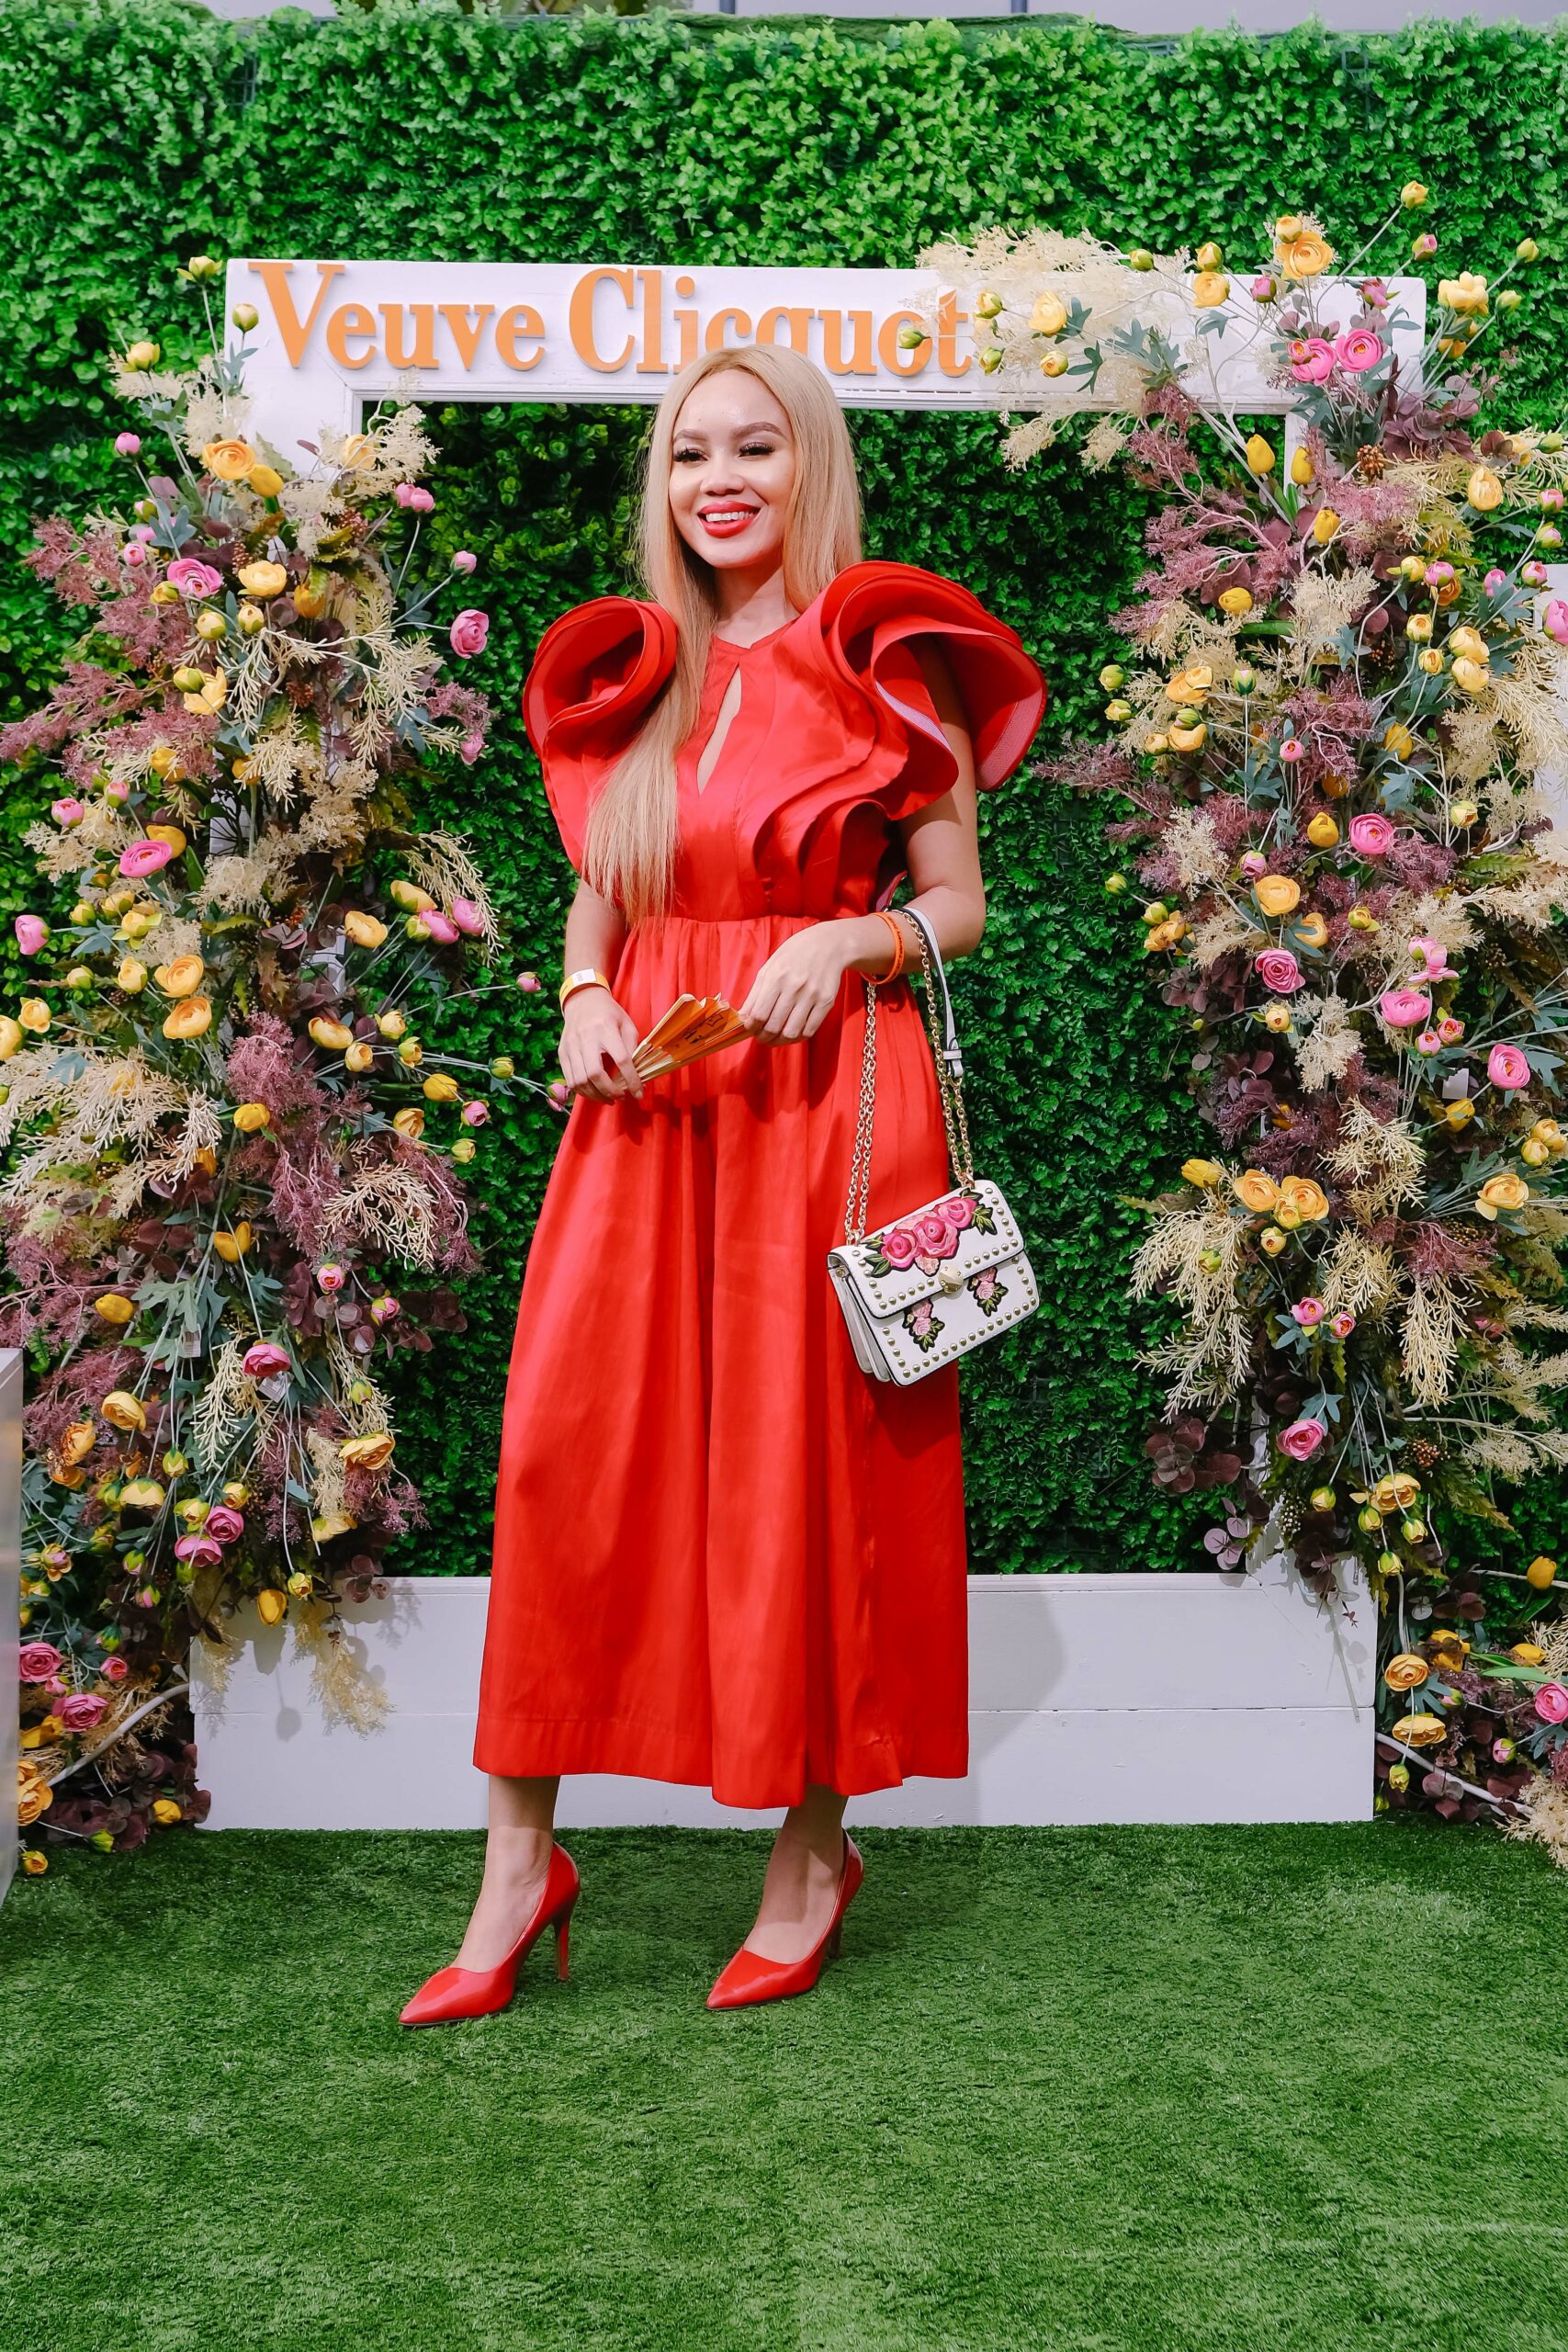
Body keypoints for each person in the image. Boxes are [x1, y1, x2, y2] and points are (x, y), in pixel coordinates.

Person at [400, 342, 1044, 2025]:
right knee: (564, 1454)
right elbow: (604, 887)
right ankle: (517, 1866)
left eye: (756, 447)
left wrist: (850, 939)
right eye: (692, 453)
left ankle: (811, 1857)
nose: (721, 480)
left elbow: (958, 903)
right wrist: (582, 994)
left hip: (827, 1101)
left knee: (802, 1469)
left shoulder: (888, 659)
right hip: (649, 1101)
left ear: (809, 462)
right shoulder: (637, 666)